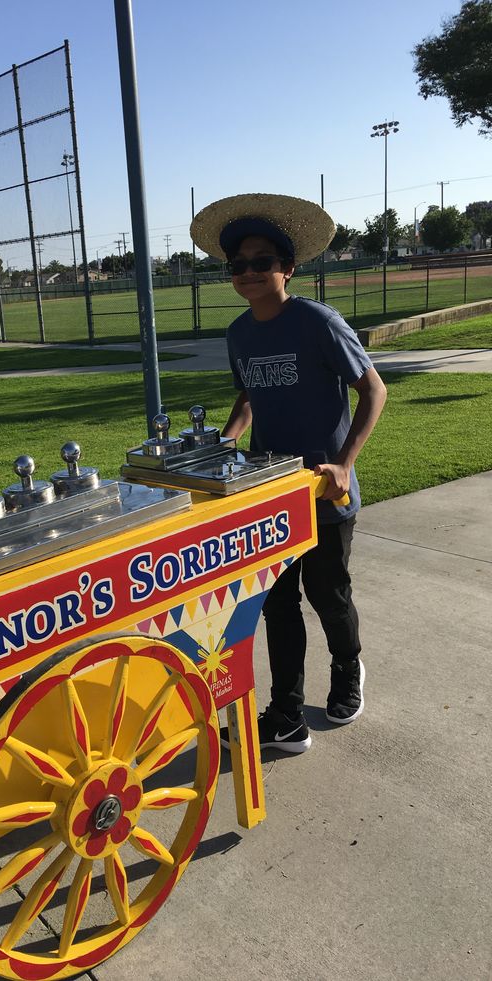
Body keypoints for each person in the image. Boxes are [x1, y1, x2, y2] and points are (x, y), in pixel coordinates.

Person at [190, 193, 387, 753]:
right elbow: (249, 397)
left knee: (329, 595)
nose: (248, 273)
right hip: (269, 494)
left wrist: (345, 464)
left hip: (325, 491)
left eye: (261, 262)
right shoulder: (239, 333)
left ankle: (349, 669)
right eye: (238, 265)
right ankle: (286, 714)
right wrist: (223, 442)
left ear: (287, 268)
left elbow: (374, 390)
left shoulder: (318, 322)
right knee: (276, 603)